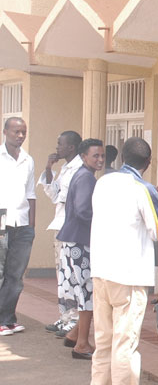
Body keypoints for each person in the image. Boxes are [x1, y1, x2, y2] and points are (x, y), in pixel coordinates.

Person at [85, 137, 158, 385]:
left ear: (121, 157)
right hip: (129, 274)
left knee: (104, 339)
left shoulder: (103, 182)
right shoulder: (142, 188)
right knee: (125, 341)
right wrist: (157, 198)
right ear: (148, 162)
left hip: (101, 270)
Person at [58, 138, 104, 359]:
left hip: (73, 241)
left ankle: (75, 335)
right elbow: (84, 211)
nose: (100, 159)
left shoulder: (83, 175)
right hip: (80, 242)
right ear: (84, 156)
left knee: (84, 292)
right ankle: (82, 345)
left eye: (102, 155)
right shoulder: (86, 178)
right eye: (95, 155)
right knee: (87, 293)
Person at [38, 130, 83, 334]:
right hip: (59, 226)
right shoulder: (65, 167)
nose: (57, 148)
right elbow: (54, 194)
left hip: (70, 229)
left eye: (60, 144)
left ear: (71, 147)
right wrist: (48, 168)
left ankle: (73, 319)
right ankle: (64, 317)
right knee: (62, 276)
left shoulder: (78, 169)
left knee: (71, 276)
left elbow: (66, 199)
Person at [0, 117, 36, 337]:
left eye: (23, 132)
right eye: (16, 132)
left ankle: (8, 318)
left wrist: (32, 226)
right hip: (1, 217)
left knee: (15, 275)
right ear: (5, 132)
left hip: (22, 222)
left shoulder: (28, 160)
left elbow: (31, 194)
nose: (20, 136)